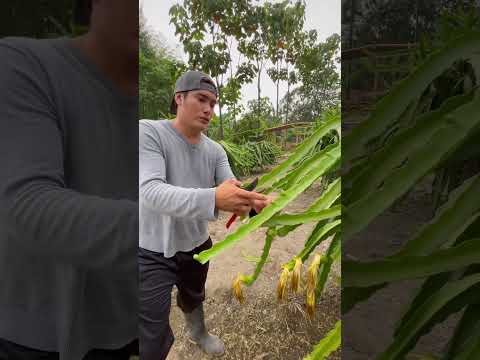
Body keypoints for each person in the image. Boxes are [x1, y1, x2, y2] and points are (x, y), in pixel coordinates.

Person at [0, 1, 139, 359]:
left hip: (124, 328)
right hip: (29, 340)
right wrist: (180, 216)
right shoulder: (21, 63)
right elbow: (28, 207)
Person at [139, 70, 271, 359]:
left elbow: (231, 186)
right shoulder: (149, 132)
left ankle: (198, 333)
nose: (209, 109)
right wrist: (213, 198)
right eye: (201, 99)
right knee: (150, 329)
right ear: (179, 98)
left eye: (213, 103)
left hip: (197, 245)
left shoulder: (215, 150)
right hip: (151, 250)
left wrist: (251, 202)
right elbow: (150, 191)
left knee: (193, 296)